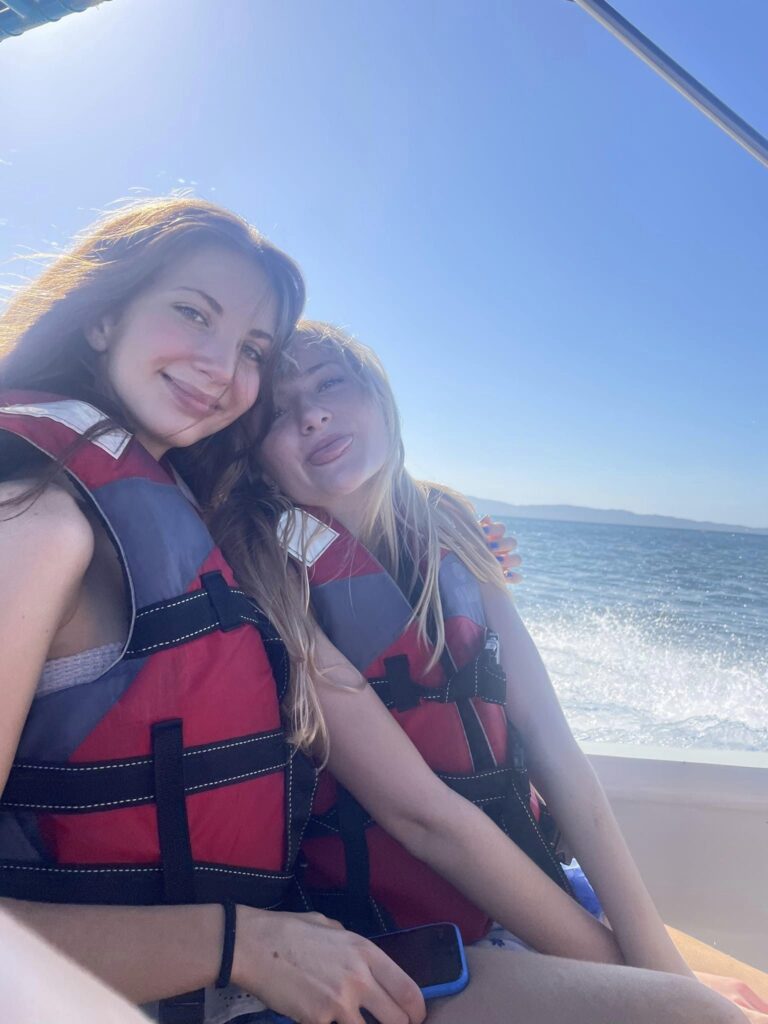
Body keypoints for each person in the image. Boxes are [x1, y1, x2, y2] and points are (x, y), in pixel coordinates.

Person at [209, 318, 750, 1024]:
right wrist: (653, 989)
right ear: (257, 460)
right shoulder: (270, 577)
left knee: (696, 997)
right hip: (387, 946)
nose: (311, 413)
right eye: (279, 413)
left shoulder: (450, 531)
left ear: (382, 400)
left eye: (331, 384)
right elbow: (424, 818)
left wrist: (662, 969)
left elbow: (556, 751)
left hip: (508, 899)